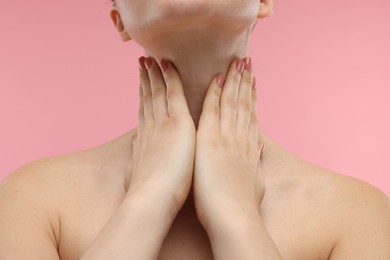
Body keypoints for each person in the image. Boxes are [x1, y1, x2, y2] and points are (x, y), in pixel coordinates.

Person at [0, 0, 389, 259]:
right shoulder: (32, 200)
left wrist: (235, 217)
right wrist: (150, 199)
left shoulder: (358, 215)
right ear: (118, 17)